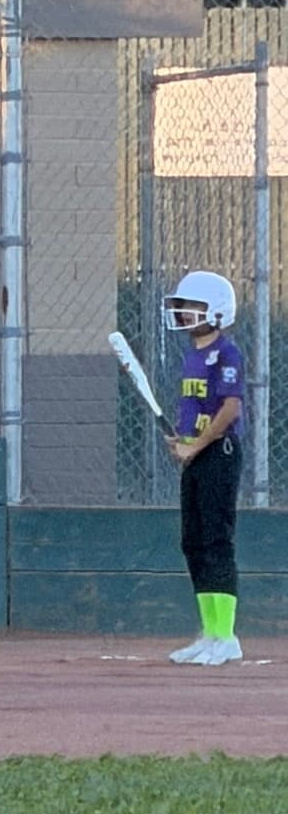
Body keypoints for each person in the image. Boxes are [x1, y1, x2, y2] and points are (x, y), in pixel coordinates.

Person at [166, 270, 244, 666]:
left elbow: (230, 409)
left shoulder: (227, 354)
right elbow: (194, 411)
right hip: (196, 455)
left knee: (216, 541)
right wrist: (181, 440)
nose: (182, 314)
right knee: (193, 542)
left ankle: (225, 635)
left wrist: (196, 444)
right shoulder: (192, 356)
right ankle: (209, 633)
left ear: (214, 311)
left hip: (219, 454)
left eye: (191, 307)